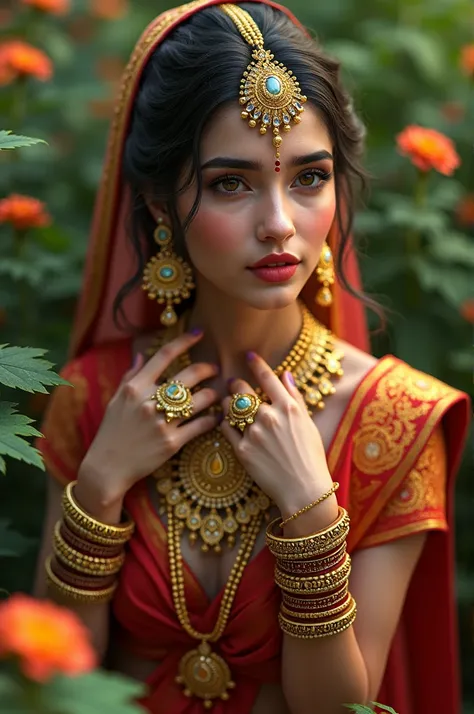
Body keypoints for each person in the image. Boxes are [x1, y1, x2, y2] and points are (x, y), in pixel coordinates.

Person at [34, 2, 470, 713]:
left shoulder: (395, 421)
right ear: (156, 204)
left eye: (309, 178)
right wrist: (100, 489)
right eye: (230, 183)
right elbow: (50, 683)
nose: (278, 224)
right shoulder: (98, 395)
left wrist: (307, 510)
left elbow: (337, 708)